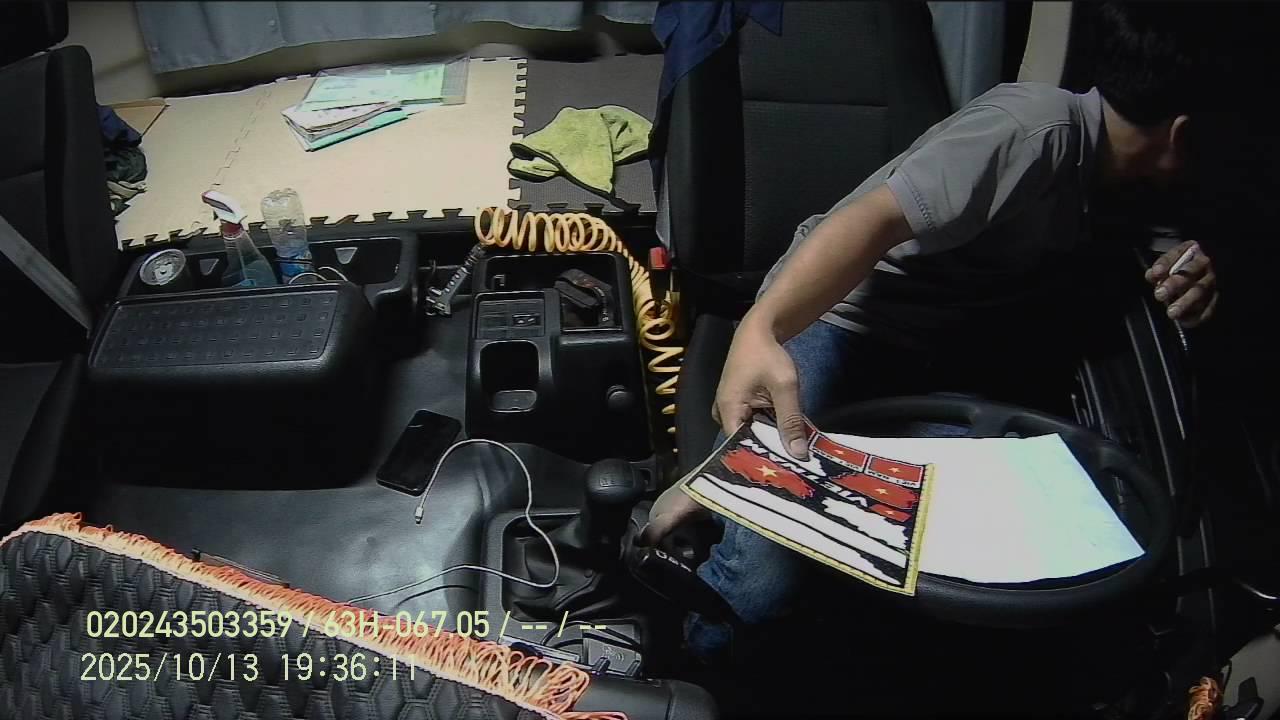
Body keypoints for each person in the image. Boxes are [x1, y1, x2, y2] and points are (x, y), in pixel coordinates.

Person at [641, 2, 1230, 663]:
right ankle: (695, 663)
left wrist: (1188, 272)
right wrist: (762, 327)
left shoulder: (1128, 181)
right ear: (1181, 135)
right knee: (765, 583)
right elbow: (871, 220)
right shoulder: (1032, 130)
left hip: (941, 350)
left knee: (1041, 526)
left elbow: (1159, 248)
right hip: (842, 320)